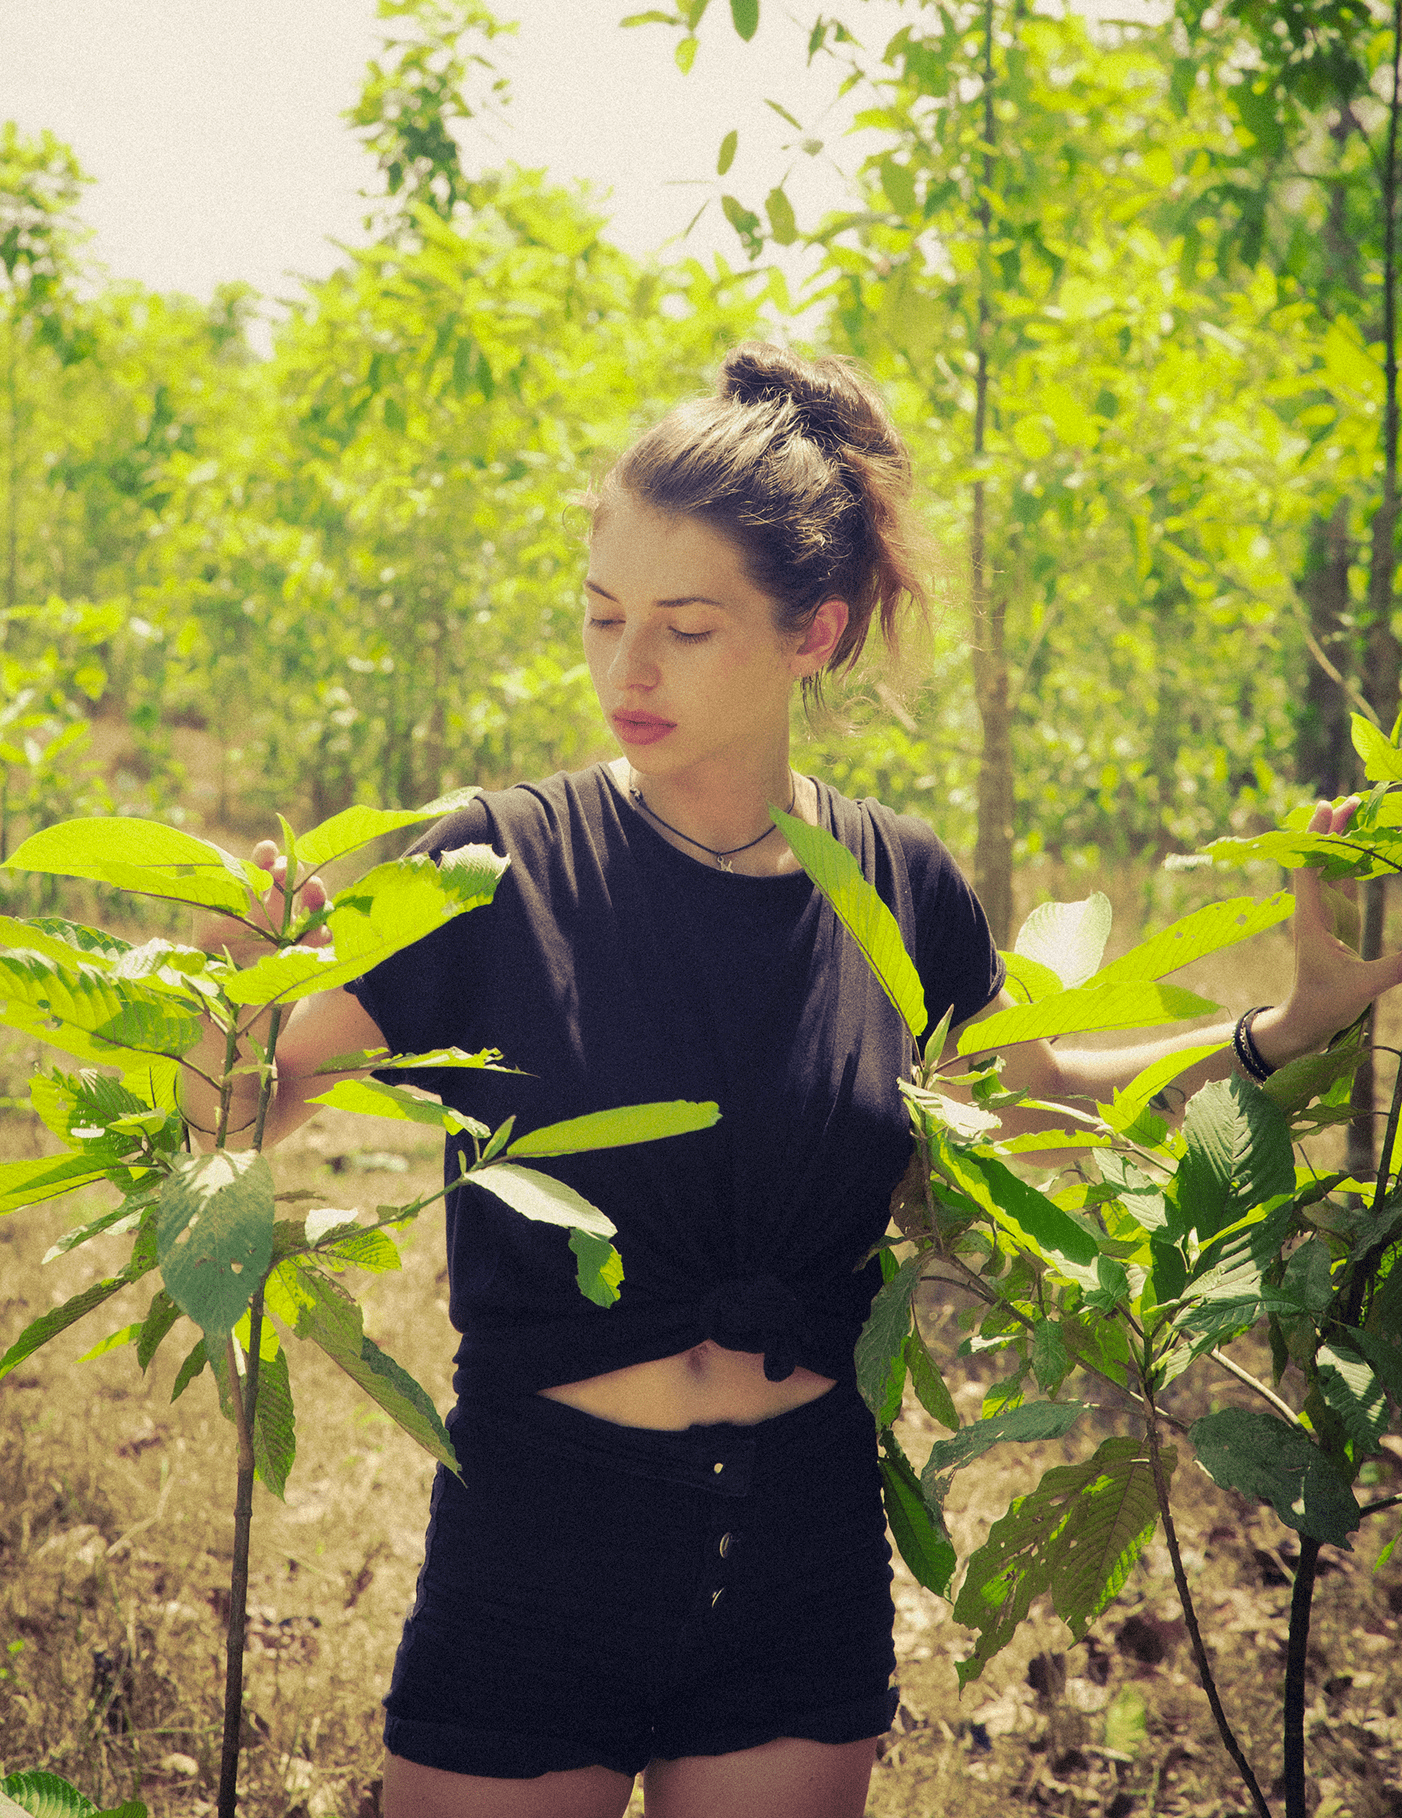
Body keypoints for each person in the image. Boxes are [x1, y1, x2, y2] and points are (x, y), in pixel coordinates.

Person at [192, 343, 1402, 1818]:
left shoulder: (894, 881)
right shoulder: (497, 863)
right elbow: (246, 1111)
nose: (625, 669)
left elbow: (1027, 1109)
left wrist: (1280, 1030)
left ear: (813, 631)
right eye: (601, 617)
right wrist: (227, 994)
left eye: (685, 628)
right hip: (538, 1539)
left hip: (796, 1552)